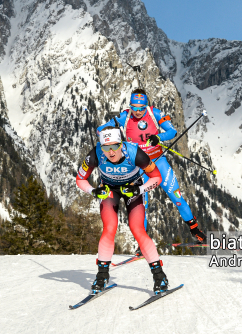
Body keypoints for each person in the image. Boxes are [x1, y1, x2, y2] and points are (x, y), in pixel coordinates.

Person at [97, 89, 206, 246]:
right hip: (138, 168)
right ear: (130, 106)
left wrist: (158, 137)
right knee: (142, 206)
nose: (138, 111)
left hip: (159, 162)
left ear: (146, 106)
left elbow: (172, 131)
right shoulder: (124, 117)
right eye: (134, 107)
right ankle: (143, 244)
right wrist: (112, 140)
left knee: (177, 198)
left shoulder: (154, 113)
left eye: (141, 108)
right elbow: (100, 130)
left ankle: (195, 231)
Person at [76, 126, 169, 295]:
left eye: (115, 146)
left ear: (122, 143)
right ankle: (102, 276)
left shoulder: (135, 153)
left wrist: (138, 190)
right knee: (109, 228)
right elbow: (80, 178)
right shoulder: (95, 154)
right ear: (101, 146)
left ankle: (159, 276)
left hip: (132, 188)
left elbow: (157, 177)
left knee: (137, 228)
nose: (111, 152)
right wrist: (94, 191)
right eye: (106, 147)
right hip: (109, 190)